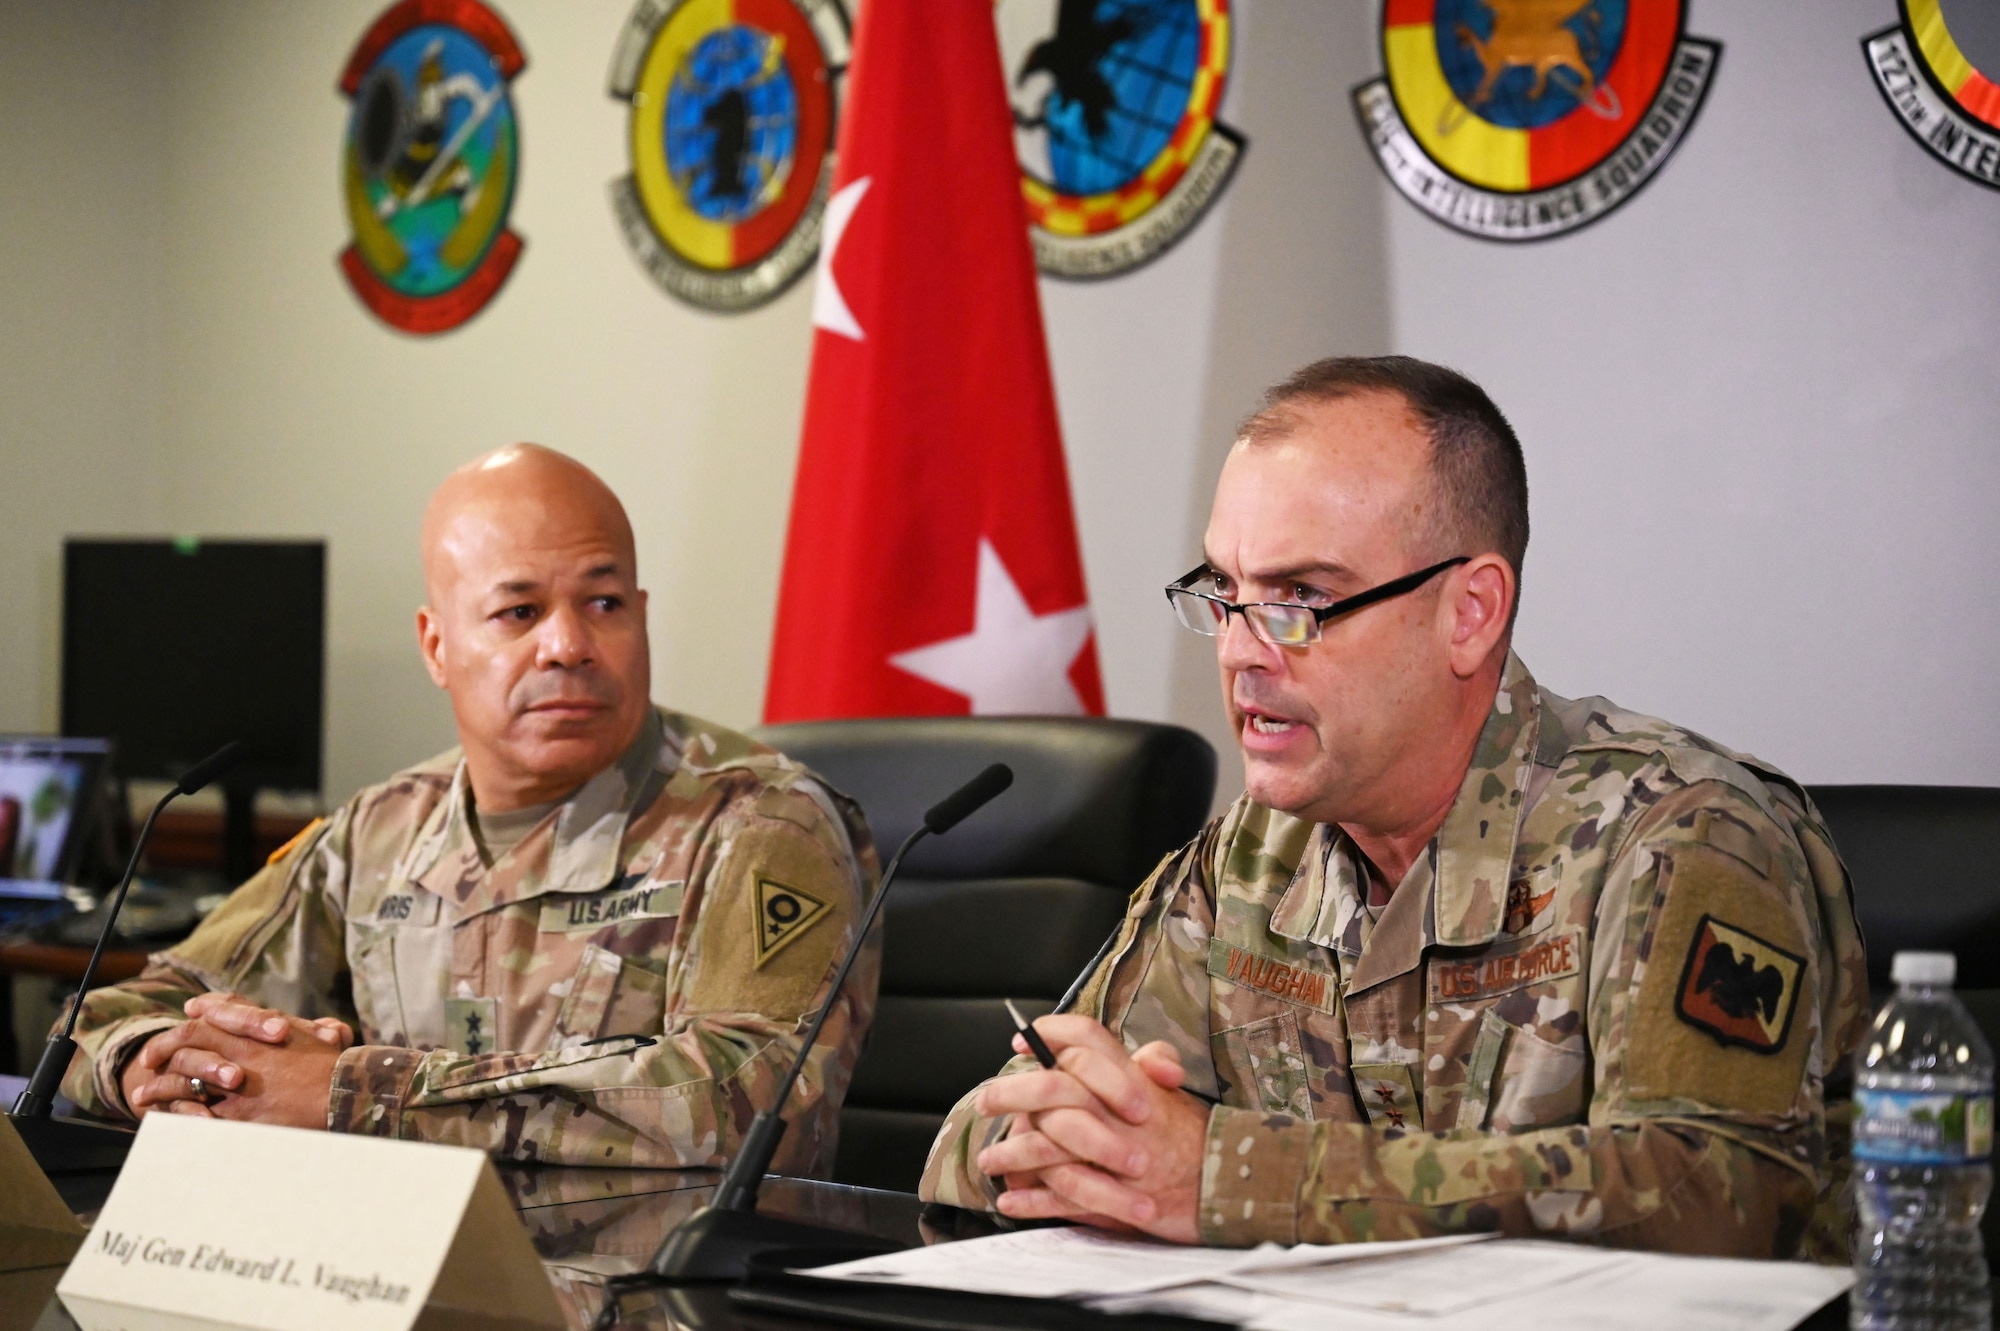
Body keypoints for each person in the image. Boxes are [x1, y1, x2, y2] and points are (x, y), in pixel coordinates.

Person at [921, 356, 1868, 1258]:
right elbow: (975, 1151)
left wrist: (1225, 1177)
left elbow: (1709, 1197)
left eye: (1300, 596)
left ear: (1470, 612)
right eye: (1225, 592)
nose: (1241, 651)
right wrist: (1069, 1140)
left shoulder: (1680, 837)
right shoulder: (1249, 859)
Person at [62, 445, 879, 1172]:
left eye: (604, 604)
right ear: (436, 645)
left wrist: (354, 1091)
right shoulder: (379, 831)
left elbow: (747, 1099)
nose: (568, 644)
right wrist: (153, 1062)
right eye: (519, 612)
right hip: (390, 1281)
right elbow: (120, 1008)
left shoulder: (760, 822)